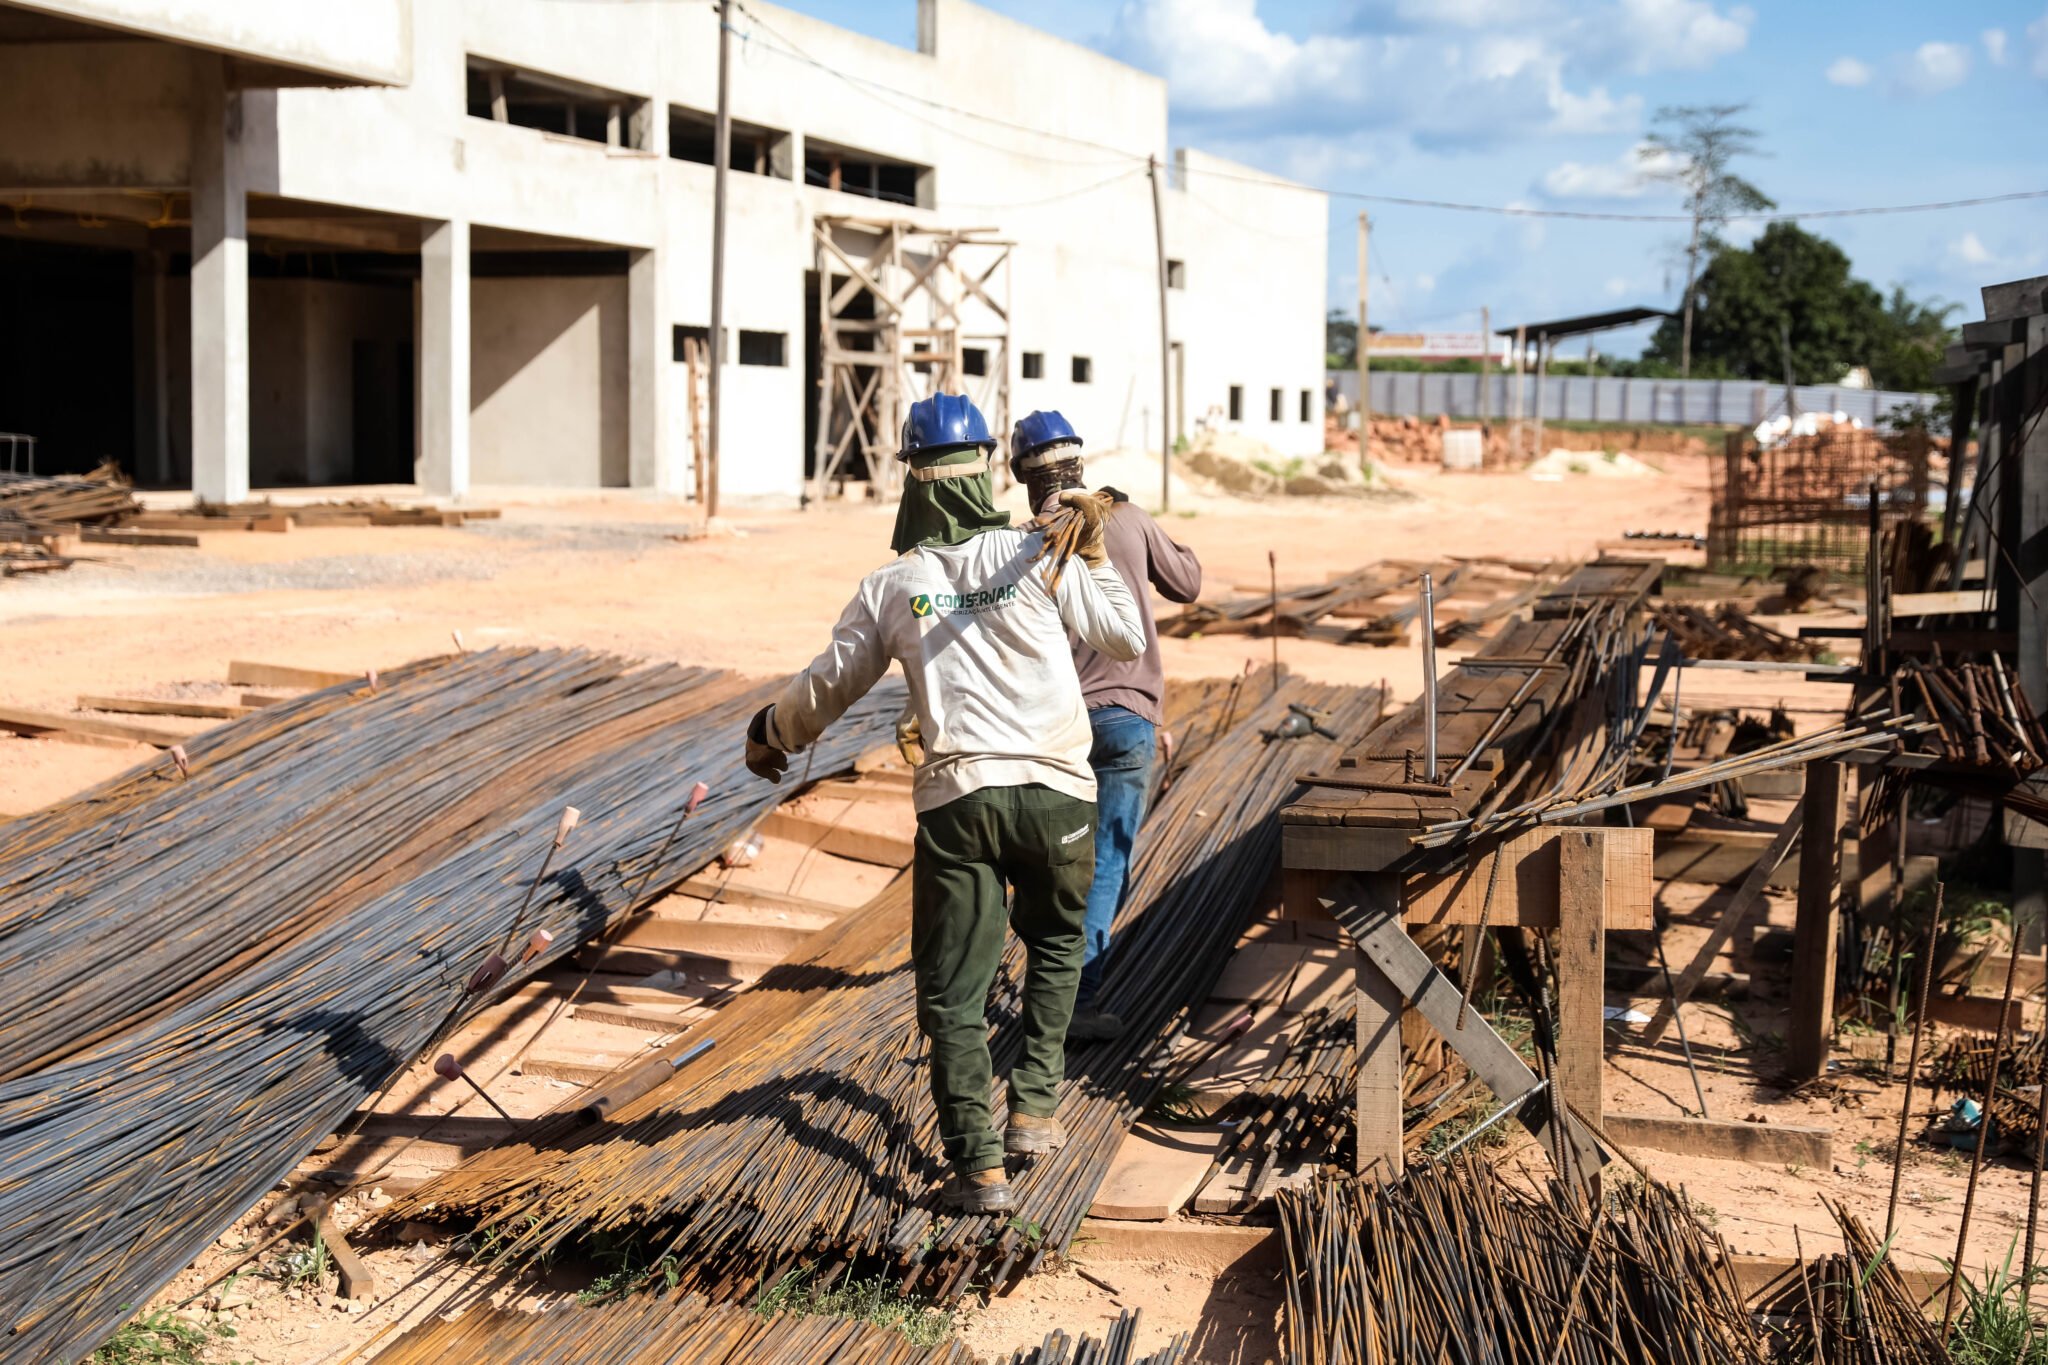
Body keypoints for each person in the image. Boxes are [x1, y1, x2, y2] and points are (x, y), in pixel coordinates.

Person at [743, 393, 1144, 1215]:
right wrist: (1092, 554)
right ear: (990, 470)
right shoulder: (1036, 554)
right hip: (1058, 791)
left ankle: (978, 1168)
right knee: (1058, 943)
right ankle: (1035, 1107)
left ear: (911, 481)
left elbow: (828, 685)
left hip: (960, 801)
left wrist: (771, 729)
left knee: (955, 991)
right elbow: (1125, 640)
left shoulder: (895, 584)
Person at [1008, 411, 1202, 1042]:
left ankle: (1042, 974)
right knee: (1106, 867)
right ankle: (1077, 1001)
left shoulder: (1018, 547)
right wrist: (1148, 531)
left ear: (1021, 476)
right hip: (1127, 722)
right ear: (1080, 463)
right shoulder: (1126, 518)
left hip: (1053, 730)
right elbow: (1188, 583)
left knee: (1052, 864)